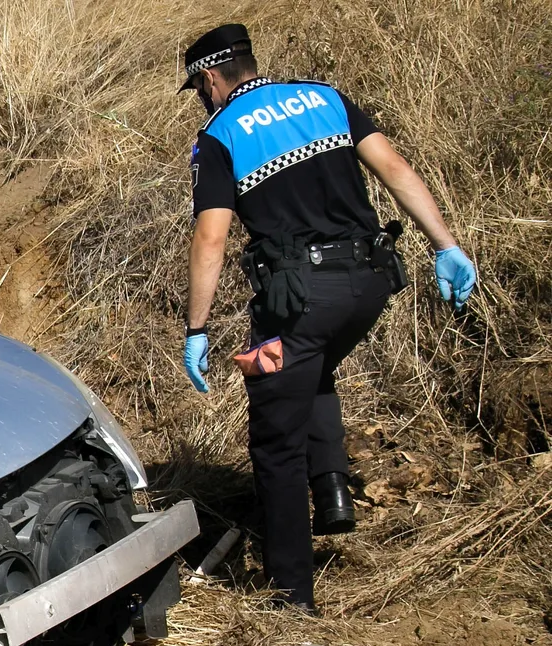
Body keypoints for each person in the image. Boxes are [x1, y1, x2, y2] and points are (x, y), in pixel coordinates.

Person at [179, 23, 476, 613]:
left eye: (199, 87)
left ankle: (291, 598)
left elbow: (211, 237)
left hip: (300, 297)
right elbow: (393, 168)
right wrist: (445, 244)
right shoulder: (323, 97)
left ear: (211, 78)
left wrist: (197, 328)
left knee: (275, 443)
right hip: (369, 283)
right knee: (311, 367)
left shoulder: (218, 135)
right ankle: (333, 490)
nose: (203, 96)